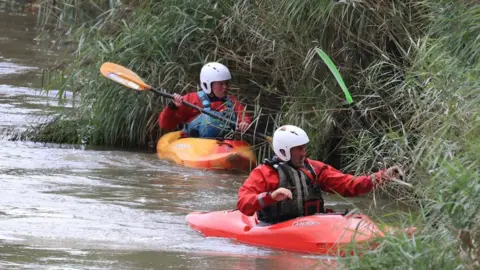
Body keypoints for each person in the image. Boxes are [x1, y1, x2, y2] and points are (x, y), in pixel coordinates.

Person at [237, 125, 404, 225]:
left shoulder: (314, 168)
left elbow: (349, 185)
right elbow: (244, 203)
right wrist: (271, 196)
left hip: (312, 223)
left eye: (304, 147)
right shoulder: (264, 173)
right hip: (276, 226)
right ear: (284, 151)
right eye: (300, 149)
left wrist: (383, 176)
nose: (304, 153)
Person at [158, 62, 252, 138]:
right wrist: (172, 107)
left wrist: (244, 123)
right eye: (220, 84)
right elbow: (165, 125)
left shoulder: (232, 101)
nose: (225, 87)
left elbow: (243, 117)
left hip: (224, 145)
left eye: (227, 83)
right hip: (196, 145)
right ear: (208, 84)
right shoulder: (191, 99)